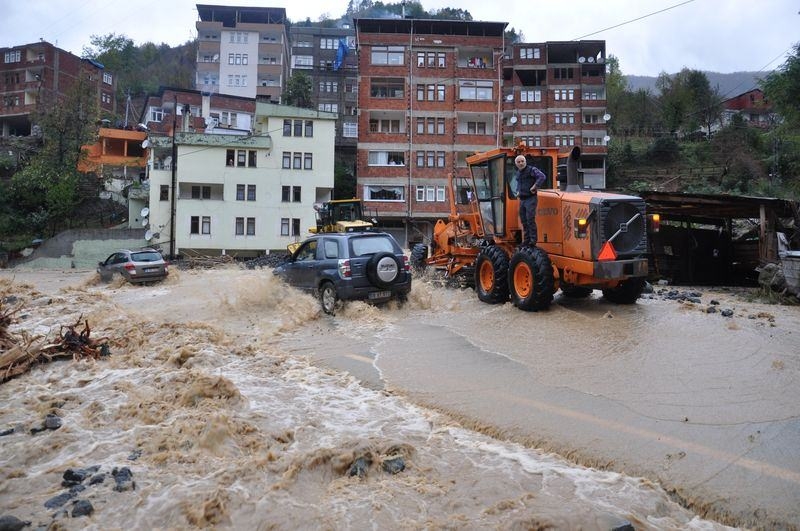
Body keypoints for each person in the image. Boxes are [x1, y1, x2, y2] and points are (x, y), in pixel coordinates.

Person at [514, 155, 546, 246]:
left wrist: (535, 186)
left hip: (530, 198)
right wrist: (517, 191)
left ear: (525, 162)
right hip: (522, 199)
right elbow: (519, 184)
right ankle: (527, 240)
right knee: (524, 220)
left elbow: (542, 177)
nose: (521, 163)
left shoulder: (532, 170)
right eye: (519, 162)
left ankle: (533, 240)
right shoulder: (518, 173)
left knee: (530, 219)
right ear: (516, 164)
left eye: (522, 161)